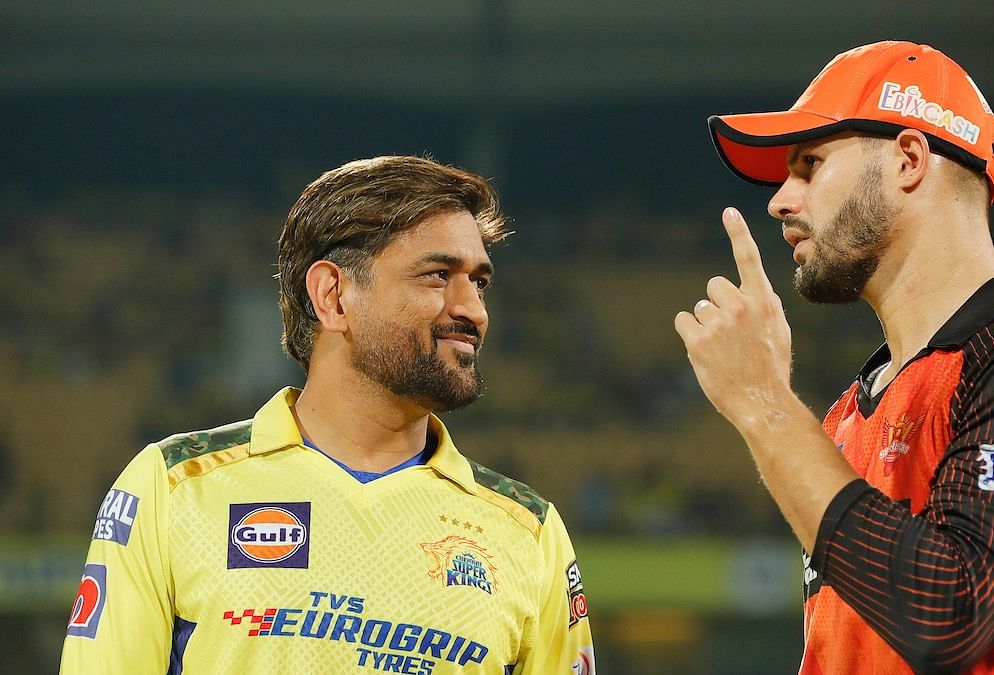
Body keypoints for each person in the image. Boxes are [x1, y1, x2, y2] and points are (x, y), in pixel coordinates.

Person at [675, 41, 994, 674]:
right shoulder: (845, 416)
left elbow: (952, 616)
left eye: (810, 164)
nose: (780, 200)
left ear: (908, 160)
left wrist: (765, 404)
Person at [60, 156, 596, 674]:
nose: (473, 309)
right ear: (334, 296)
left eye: (479, 282)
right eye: (438, 276)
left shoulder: (529, 531)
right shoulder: (174, 486)